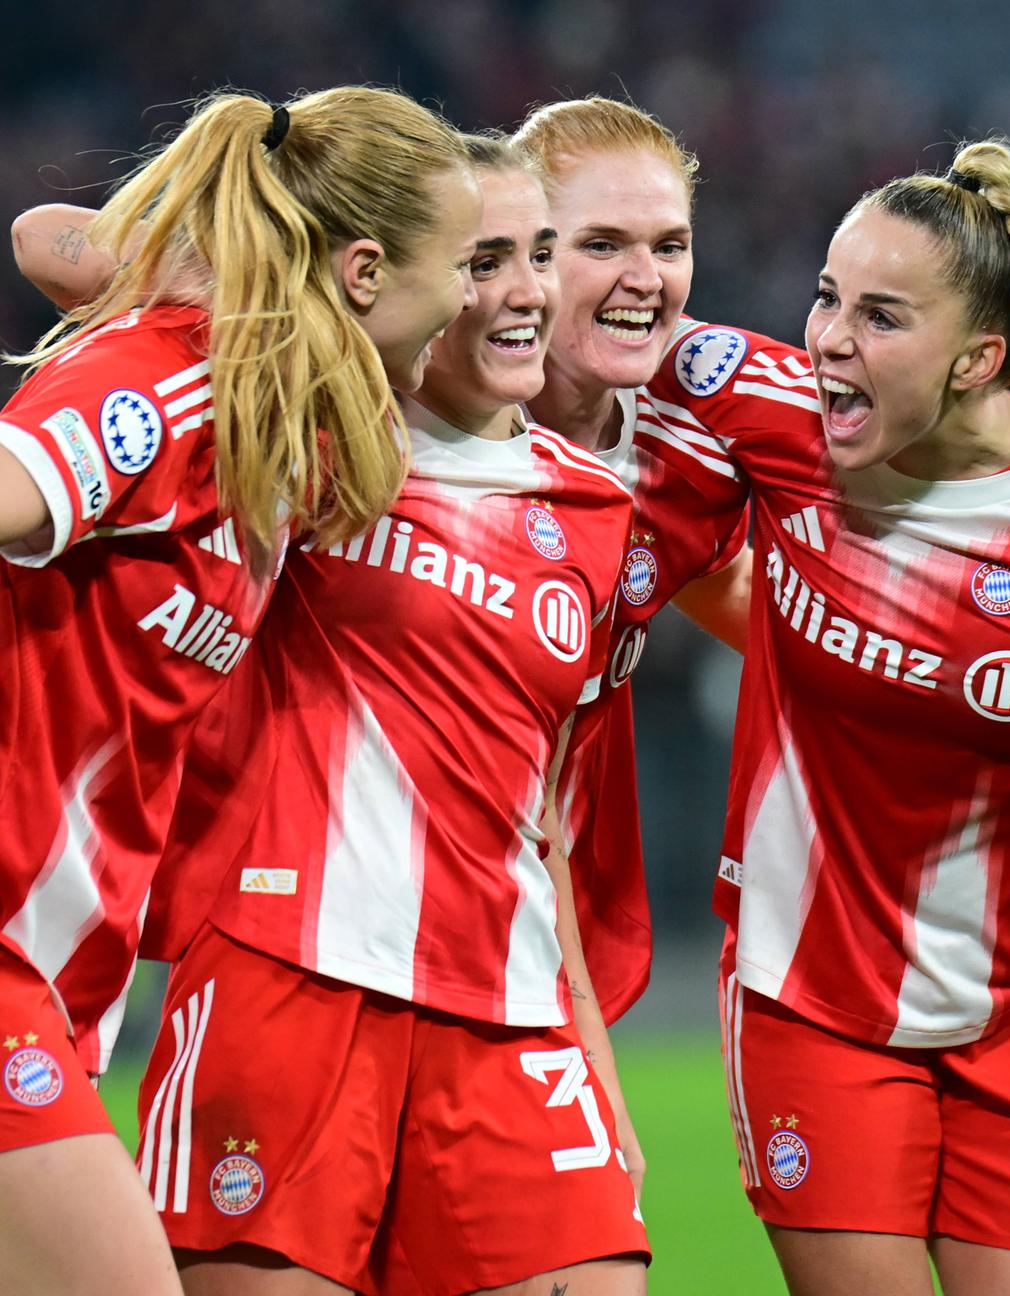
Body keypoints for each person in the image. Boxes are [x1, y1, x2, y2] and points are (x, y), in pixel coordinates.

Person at [128, 135, 646, 1296]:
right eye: (481, 260)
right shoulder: (296, 438)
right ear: (397, 273)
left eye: (540, 254)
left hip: (510, 1013)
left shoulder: (596, 510)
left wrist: (593, 1056)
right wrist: (299, 276)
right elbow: (54, 249)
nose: (523, 291)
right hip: (289, 977)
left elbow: (544, 819)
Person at [639, 137, 1010, 1295]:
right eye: (827, 298)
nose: (828, 340)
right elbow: (588, 321)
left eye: (879, 317)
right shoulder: (762, 402)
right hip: (810, 998)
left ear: (978, 359)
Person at [0, 86, 480, 1296]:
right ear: (365, 273)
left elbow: (48, 239)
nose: (475, 298)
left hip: (57, 976)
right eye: (466, 264)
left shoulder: (279, 423)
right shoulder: (173, 386)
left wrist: (244, 277)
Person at [510, 97, 753, 1024]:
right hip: (349, 911)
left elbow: (774, 622)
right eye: (602, 244)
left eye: (670, 245)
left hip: (551, 925)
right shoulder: (407, 402)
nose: (646, 279)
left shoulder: (685, 449)